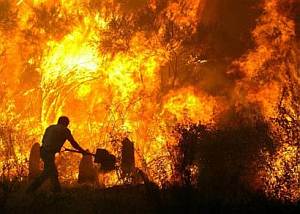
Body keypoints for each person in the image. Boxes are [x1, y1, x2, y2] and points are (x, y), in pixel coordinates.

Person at [26, 116, 87, 193]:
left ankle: (54, 191)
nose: (67, 125)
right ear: (65, 123)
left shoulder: (50, 127)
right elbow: (73, 143)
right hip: (49, 153)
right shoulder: (65, 130)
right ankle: (33, 190)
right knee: (51, 173)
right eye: (67, 123)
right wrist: (82, 151)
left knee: (50, 173)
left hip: (43, 151)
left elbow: (44, 140)